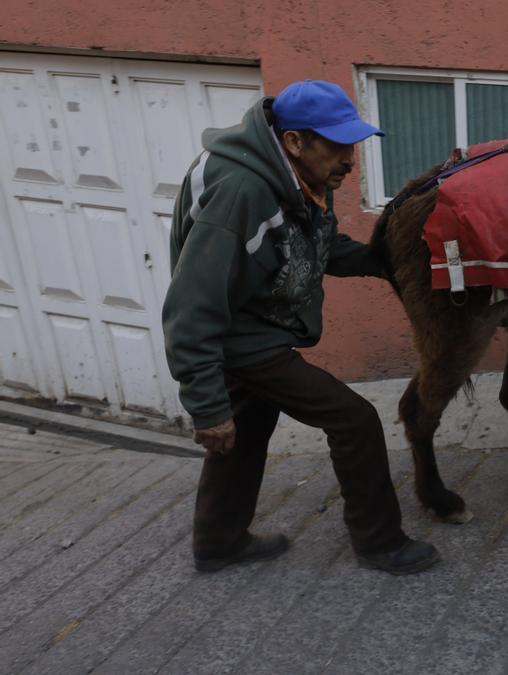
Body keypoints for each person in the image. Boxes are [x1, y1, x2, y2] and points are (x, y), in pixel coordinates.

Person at [162, 79, 439, 575]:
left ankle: (218, 542)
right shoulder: (242, 192)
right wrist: (205, 407)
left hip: (257, 323)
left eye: (351, 144)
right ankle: (381, 543)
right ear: (294, 140)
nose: (349, 160)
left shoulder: (301, 178)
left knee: (246, 429)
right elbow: (190, 305)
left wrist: (389, 261)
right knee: (353, 420)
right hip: (243, 337)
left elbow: (317, 244)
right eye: (336, 144)